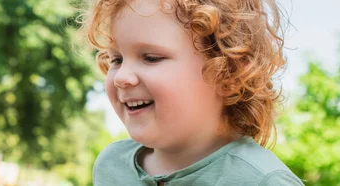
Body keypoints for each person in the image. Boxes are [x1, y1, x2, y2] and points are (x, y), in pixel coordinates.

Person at [77, 0, 304, 185]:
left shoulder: (262, 180)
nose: (121, 77)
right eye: (116, 59)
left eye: (151, 58)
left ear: (228, 73)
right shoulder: (111, 166)